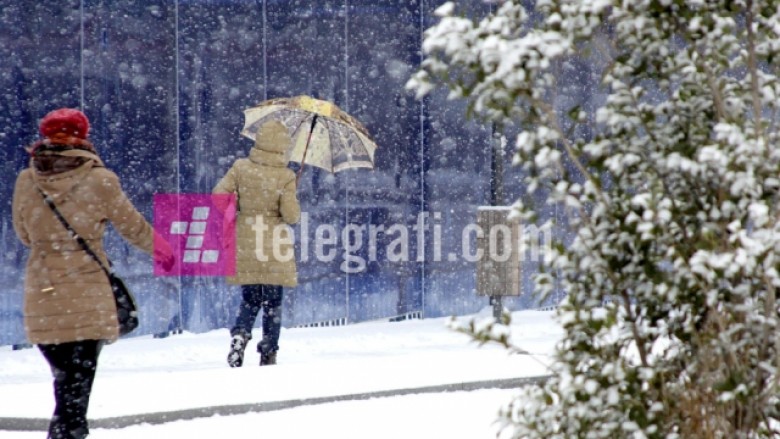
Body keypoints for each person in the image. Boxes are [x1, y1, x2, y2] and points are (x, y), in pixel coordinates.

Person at [12, 108, 173, 439]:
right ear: (82, 136)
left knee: (65, 381)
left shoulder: (27, 180)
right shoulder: (99, 179)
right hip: (86, 291)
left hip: (43, 293)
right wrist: (164, 251)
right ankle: (69, 432)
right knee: (77, 386)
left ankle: (67, 430)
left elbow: (24, 235)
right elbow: (133, 227)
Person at [214, 119, 300, 367]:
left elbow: (219, 196)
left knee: (250, 299)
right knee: (273, 302)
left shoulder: (241, 168)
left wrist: (239, 205)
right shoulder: (286, 175)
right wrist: (291, 196)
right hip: (273, 244)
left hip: (246, 240)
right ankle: (268, 351)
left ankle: (240, 333)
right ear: (283, 146)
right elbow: (292, 216)